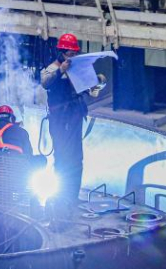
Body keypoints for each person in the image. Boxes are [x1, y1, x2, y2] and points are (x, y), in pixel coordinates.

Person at [40, 33, 102, 217]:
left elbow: (92, 92)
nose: (72, 56)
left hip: (74, 117)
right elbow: (45, 82)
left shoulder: (79, 70)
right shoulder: (52, 69)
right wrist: (61, 71)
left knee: (76, 158)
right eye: (69, 53)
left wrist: (95, 82)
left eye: (74, 53)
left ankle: (72, 196)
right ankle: (61, 197)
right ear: (62, 52)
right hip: (60, 120)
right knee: (62, 159)